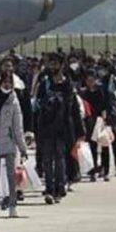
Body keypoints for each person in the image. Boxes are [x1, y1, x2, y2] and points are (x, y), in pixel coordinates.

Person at [35, 53, 85, 204]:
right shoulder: (44, 84)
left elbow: (74, 109)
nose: (53, 66)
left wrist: (80, 131)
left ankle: (59, 187)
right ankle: (49, 189)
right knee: (47, 160)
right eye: (51, 63)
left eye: (56, 63)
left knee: (60, 159)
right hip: (46, 127)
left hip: (63, 128)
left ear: (62, 65)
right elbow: (36, 107)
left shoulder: (68, 85)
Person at [0, 71, 28, 218]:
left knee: (12, 176)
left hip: (9, 142)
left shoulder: (14, 101)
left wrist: (22, 147)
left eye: (9, 82)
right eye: (4, 82)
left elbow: (18, 126)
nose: (7, 85)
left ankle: (12, 205)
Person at [80, 69, 112, 182]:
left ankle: (106, 171)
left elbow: (107, 105)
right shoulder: (83, 93)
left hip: (101, 120)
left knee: (104, 145)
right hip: (89, 121)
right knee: (92, 147)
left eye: (92, 80)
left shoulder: (102, 91)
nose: (90, 82)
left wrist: (105, 119)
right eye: (88, 80)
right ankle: (93, 171)